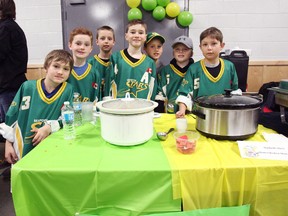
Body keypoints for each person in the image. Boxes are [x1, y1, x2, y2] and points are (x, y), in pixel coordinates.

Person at [0, 49, 74, 164]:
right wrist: (8, 144)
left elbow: (67, 117)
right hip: (23, 144)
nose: (60, 72)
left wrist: (49, 127)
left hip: (50, 146)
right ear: (46, 67)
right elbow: (12, 115)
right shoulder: (28, 87)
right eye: (56, 66)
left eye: (65, 69)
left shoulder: (68, 90)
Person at [175, 27, 239, 118]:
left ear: (222, 45)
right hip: (200, 116)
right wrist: (182, 110)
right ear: (200, 47)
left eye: (213, 44)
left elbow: (235, 93)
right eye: (205, 44)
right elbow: (184, 94)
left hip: (224, 115)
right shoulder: (194, 69)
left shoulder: (230, 67)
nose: (209, 48)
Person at [104, 19, 157, 100]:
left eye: (141, 32)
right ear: (126, 36)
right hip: (119, 109)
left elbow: (152, 89)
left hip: (142, 109)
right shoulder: (115, 58)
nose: (137, 35)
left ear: (145, 37)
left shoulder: (150, 63)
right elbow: (108, 85)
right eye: (132, 32)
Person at [0, 0, 28, 141]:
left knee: (11, 125)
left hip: (9, 87)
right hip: (8, 85)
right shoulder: (9, 27)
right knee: (5, 126)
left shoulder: (6, 28)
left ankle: (14, 157)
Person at [155, 35, 194, 113]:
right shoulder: (165, 71)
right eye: (177, 49)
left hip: (191, 114)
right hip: (169, 114)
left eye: (185, 49)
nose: (180, 52)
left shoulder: (196, 70)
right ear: (173, 53)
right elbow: (159, 95)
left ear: (191, 53)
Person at [68, 27, 101, 102]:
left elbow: (96, 100)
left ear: (91, 49)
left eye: (86, 45)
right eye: (78, 43)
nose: (82, 47)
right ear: (70, 45)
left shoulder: (95, 73)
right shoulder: (63, 71)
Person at [88, 25, 115, 100]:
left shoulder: (117, 62)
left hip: (114, 104)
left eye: (109, 39)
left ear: (113, 42)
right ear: (97, 41)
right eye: (102, 38)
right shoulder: (90, 63)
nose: (106, 41)